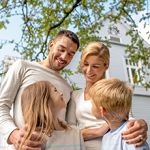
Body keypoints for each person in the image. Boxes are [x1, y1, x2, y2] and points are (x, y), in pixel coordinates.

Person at [0, 30, 80, 149]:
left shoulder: (67, 88)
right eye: (61, 49)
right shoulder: (23, 67)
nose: (64, 57)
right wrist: (13, 134)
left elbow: (68, 126)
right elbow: (2, 105)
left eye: (70, 54)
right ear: (51, 45)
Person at [66, 41, 148, 150]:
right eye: (86, 64)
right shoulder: (75, 96)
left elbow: (127, 118)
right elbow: (69, 133)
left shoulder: (114, 90)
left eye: (95, 66)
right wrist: (98, 131)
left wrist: (140, 124)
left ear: (106, 66)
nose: (89, 71)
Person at [19, 81, 85, 150]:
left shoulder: (76, 133)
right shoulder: (35, 138)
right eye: (55, 90)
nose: (61, 93)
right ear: (44, 100)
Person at [89, 78, 149, 150]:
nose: (91, 106)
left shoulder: (130, 133)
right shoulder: (106, 137)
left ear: (102, 110)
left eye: (92, 104)